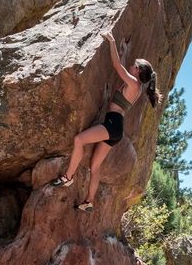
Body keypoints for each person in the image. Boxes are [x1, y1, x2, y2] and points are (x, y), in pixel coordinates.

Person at [51, 30, 161, 212]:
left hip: (112, 125)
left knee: (79, 140)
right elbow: (123, 67)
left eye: (134, 65)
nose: (132, 67)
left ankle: (68, 177)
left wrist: (111, 42)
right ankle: (88, 202)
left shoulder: (134, 83)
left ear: (138, 71)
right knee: (95, 167)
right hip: (115, 129)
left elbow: (118, 67)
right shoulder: (136, 86)